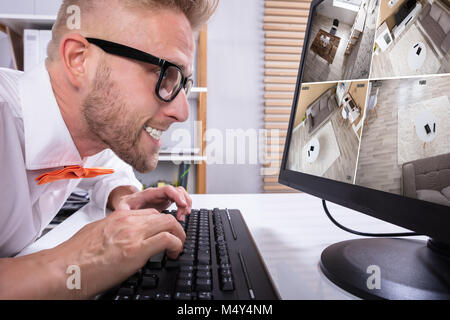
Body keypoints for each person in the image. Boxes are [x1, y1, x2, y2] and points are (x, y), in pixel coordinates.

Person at [0, 0, 218, 299]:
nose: (182, 112)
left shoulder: (85, 133)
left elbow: (107, 167)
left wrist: (126, 197)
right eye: (162, 73)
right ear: (80, 60)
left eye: (183, 84)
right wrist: (72, 262)